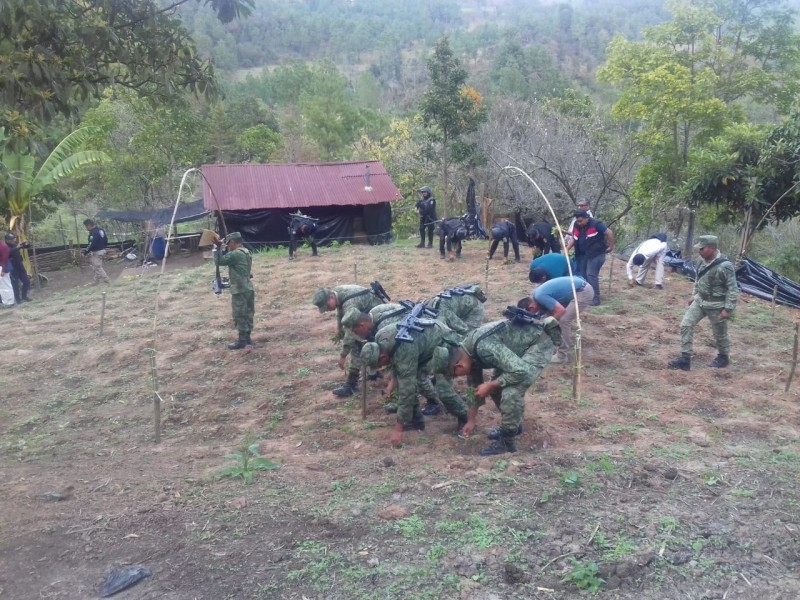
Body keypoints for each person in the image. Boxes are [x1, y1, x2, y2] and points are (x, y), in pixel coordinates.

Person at [448, 313, 562, 455]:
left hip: (537, 344)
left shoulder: (483, 348)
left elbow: (520, 371)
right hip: (517, 350)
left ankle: (507, 442)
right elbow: (473, 389)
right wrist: (471, 421)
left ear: (458, 366)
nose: (458, 378)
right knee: (497, 388)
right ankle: (514, 426)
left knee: (510, 391)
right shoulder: (467, 354)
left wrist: (490, 385)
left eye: (455, 375)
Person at [361, 318, 468, 447]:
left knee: (442, 389)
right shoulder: (380, 338)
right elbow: (397, 363)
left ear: (382, 357)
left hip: (444, 343)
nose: (381, 367)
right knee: (412, 380)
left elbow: (407, 389)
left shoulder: (402, 349)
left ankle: (465, 418)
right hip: (421, 346)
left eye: (379, 365)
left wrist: (398, 428)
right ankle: (416, 420)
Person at [341, 304, 440, 413]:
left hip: (426, 339)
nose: (358, 335)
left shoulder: (384, 328)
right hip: (411, 341)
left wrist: (392, 382)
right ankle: (404, 402)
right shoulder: (374, 315)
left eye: (356, 331)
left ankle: (434, 403)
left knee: (416, 374)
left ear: (361, 325)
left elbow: (398, 356)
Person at [668, 235, 739, 371]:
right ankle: (685, 358)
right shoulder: (701, 261)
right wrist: (694, 295)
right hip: (700, 301)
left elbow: (733, 289)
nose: (699, 251)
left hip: (717, 305)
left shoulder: (725, 266)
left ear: (712, 248)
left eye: (702, 248)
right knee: (685, 325)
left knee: (719, 333)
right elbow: (698, 279)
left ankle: (723, 357)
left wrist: (728, 309)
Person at [312, 284, 387, 397]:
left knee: (357, 344)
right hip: (368, 314)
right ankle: (373, 372)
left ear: (331, 297)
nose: (327, 310)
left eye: (326, 306)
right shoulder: (337, 292)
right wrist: (338, 327)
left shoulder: (350, 305)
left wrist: (343, 356)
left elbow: (350, 334)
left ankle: (351, 385)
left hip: (376, 317)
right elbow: (339, 309)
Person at [524, 276, 594, 364]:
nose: (534, 314)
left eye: (532, 313)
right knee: (551, 316)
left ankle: (562, 356)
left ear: (531, 307)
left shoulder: (540, 296)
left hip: (583, 291)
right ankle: (552, 346)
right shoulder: (535, 295)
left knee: (563, 320)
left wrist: (547, 324)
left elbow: (561, 310)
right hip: (575, 288)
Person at [213, 232, 255, 350]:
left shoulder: (236, 254)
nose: (227, 246)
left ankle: (242, 341)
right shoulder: (245, 251)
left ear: (232, 242)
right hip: (247, 287)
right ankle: (247, 338)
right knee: (248, 313)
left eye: (228, 244)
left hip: (239, 289)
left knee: (239, 314)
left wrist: (217, 249)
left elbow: (219, 261)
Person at [565, 210, 615, 306]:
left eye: (581, 221)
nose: (579, 223)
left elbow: (609, 233)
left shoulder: (596, 224)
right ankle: (586, 296)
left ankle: (595, 298)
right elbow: (574, 237)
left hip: (596, 254)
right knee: (582, 275)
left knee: (591, 274)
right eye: (577, 220)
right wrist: (567, 249)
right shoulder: (576, 224)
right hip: (582, 255)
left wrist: (611, 246)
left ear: (587, 218)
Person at [83, 218, 110, 284]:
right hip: (102, 250)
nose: (86, 228)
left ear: (88, 225)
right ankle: (96, 281)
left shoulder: (93, 233)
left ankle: (107, 280)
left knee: (98, 267)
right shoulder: (101, 230)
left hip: (97, 252)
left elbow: (91, 243)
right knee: (95, 266)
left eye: (86, 226)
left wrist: (85, 252)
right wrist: (104, 247)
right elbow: (106, 239)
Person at [5, 233, 31, 302]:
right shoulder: (4, 247)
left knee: (26, 281)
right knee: (15, 284)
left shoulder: (14, 244)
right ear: (6, 240)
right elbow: (8, 252)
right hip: (12, 268)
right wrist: (17, 247)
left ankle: (24, 296)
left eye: (13, 239)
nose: (13, 240)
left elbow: (25, 246)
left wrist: (26, 244)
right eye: (11, 239)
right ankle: (18, 299)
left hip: (20, 266)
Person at [0, 235, 14, 306]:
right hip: (1, 266)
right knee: (2, 286)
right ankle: (5, 301)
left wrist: (3, 270)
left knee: (6, 285)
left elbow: (5, 259)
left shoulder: (3, 246)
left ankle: (10, 302)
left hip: (3, 267)